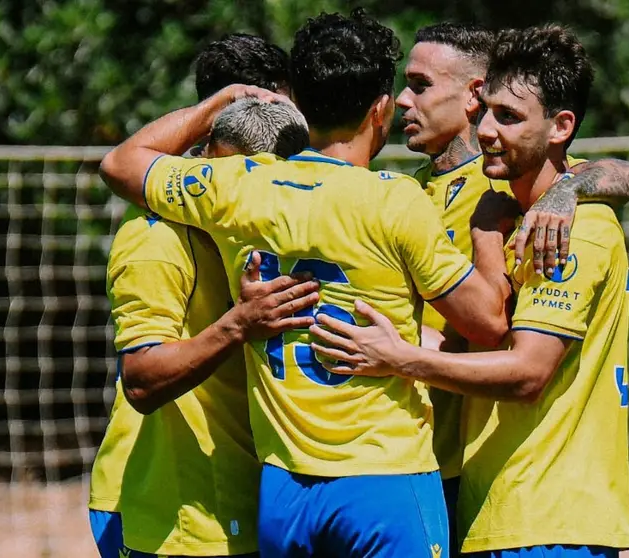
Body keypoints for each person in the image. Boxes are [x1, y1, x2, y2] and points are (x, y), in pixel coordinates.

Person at [99, 9, 515, 557]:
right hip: (384, 478)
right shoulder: (394, 199)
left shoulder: (239, 187)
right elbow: (488, 323)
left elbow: (121, 163)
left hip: (284, 489)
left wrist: (220, 104)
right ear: (379, 109)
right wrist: (488, 233)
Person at [311, 24, 629, 557]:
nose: (487, 128)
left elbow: (525, 368)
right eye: (490, 113)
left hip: (542, 514)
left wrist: (400, 357)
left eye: (507, 116)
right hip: (480, 494)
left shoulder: (561, 226)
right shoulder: (434, 197)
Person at [87, 79, 313, 558]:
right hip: (181, 510)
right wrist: (238, 324)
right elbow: (142, 380)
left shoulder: (290, 225)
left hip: (258, 496)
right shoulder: (156, 238)